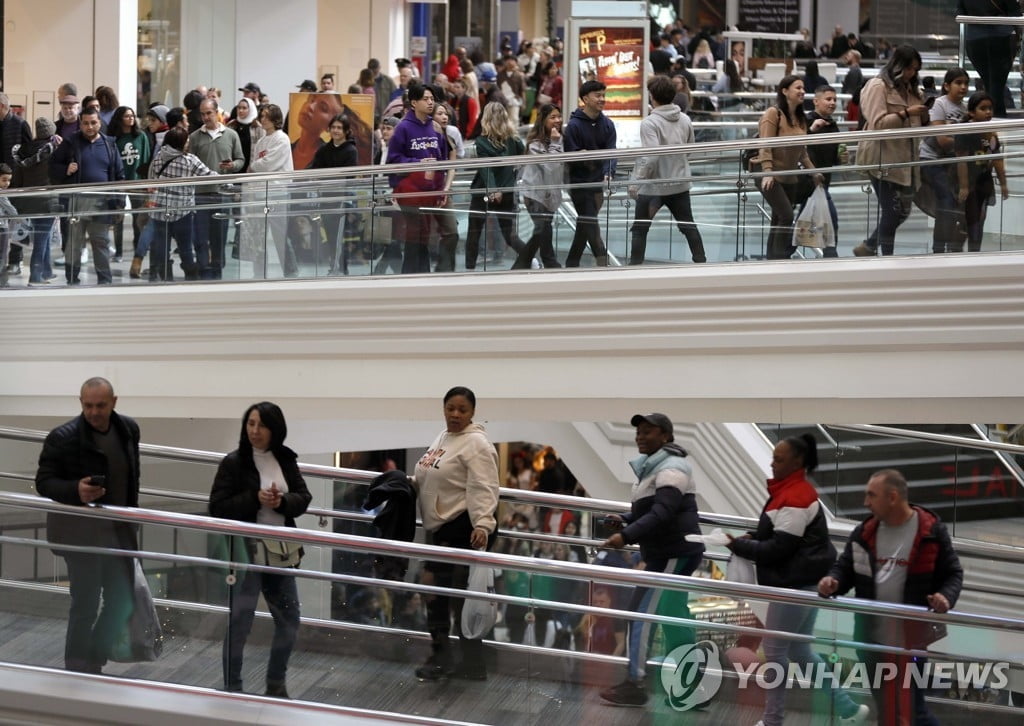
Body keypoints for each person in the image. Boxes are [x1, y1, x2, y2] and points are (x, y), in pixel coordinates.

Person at [727, 434, 868, 726]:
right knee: (799, 650)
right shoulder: (791, 492)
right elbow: (778, 537)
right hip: (806, 583)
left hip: (792, 587)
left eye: (778, 459)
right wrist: (753, 538)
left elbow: (780, 548)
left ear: (797, 462)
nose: (772, 463)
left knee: (776, 651)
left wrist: (737, 545)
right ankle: (849, 709)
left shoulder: (795, 497)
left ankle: (772, 720)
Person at [819, 469, 963, 726]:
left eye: (871, 495)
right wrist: (833, 582)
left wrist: (945, 597)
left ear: (893, 497)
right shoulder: (865, 532)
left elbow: (953, 574)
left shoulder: (931, 532)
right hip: (871, 643)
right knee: (887, 711)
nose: (866, 502)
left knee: (914, 711)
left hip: (912, 643)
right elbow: (845, 567)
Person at [35, 377, 141, 674]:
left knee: (122, 599)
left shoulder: (129, 429)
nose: (93, 412)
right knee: (86, 603)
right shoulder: (63, 437)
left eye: (100, 406)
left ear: (114, 402)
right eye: (88, 405)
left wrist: (133, 519)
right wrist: (75, 491)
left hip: (119, 530)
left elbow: (133, 476)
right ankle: (78, 666)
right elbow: (44, 482)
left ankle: (93, 657)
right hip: (80, 535)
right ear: (80, 403)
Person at [598, 412, 704, 706]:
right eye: (639, 432)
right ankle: (695, 686)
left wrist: (626, 535)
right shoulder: (655, 468)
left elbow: (663, 512)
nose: (640, 436)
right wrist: (624, 520)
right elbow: (652, 510)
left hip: (673, 552)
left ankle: (635, 683)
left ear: (666, 437)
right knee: (673, 618)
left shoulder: (672, 468)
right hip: (668, 552)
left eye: (648, 431)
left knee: (641, 615)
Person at [209, 401, 312, 697]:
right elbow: (217, 507)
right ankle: (233, 686)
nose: (255, 431)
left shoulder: (285, 459)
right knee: (240, 622)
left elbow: (303, 497)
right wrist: (254, 498)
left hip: (280, 552)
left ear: (275, 429)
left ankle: (276, 684)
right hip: (246, 552)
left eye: (262, 425)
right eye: (251, 424)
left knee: (289, 621)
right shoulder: (234, 462)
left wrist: (281, 502)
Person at [411, 386, 500, 681]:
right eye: (451, 408)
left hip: (461, 527)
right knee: (443, 594)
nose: (456, 414)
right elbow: (430, 472)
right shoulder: (443, 437)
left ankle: (451, 658)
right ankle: (463, 661)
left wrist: (483, 525)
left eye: (462, 409)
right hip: (439, 527)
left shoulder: (477, 444)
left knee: (448, 595)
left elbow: (484, 487)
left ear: (472, 412)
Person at [853, 46, 927, 257]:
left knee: (902, 211)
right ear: (898, 65)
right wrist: (905, 113)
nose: (912, 74)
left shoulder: (912, 89)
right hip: (881, 159)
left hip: (906, 160)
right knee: (893, 212)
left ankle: (869, 246)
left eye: (915, 70)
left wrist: (923, 113)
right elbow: (877, 124)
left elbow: (918, 126)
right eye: (910, 69)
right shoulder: (878, 86)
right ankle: (885, 256)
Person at [628, 75, 706, 266]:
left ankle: (634, 268)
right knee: (688, 226)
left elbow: (651, 156)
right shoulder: (685, 119)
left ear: (652, 96)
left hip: (653, 187)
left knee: (640, 228)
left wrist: (636, 181)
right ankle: (702, 264)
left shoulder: (650, 123)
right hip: (679, 184)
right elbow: (690, 150)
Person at [49, 106, 125, 285]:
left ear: (100, 123)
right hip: (76, 203)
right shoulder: (70, 142)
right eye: (85, 123)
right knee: (74, 245)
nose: (89, 127)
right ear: (80, 124)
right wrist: (65, 169)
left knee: (101, 243)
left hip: (102, 203)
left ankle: (105, 281)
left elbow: (120, 175)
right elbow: (52, 167)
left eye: (93, 122)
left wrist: (119, 203)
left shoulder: (110, 144)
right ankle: (71, 279)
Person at [753, 75, 822, 259]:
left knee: (778, 219)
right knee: (786, 215)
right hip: (770, 174)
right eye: (798, 88)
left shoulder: (800, 119)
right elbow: (765, 145)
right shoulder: (773, 114)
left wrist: (813, 172)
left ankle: (772, 260)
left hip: (790, 176)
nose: (802, 91)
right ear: (785, 91)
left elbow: (802, 152)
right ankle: (779, 259)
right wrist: (768, 172)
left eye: (803, 88)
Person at [386, 81, 447, 274]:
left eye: (431, 99)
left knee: (424, 236)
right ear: (414, 103)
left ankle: (423, 275)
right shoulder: (403, 128)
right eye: (425, 99)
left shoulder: (435, 128)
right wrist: (415, 163)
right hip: (409, 191)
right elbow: (393, 160)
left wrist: (441, 188)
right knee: (414, 235)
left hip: (429, 191)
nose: (430, 103)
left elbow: (442, 159)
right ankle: (409, 276)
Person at [465, 101, 525, 269]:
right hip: (506, 191)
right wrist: (508, 181)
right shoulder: (514, 140)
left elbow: (486, 169)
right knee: (509, 234)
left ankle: (469, 268)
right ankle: (531, 258)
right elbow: (523, 157)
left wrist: (493, 189)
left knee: (474, 233)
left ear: (486, 118)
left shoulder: (482, 142)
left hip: (483, 192)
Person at [189, 99, 244, 279]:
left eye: (209, 113)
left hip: (222, 194)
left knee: (219, 236)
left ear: (216, 113)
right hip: (200, 194)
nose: (205, 117)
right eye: (202, 114)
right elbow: (190, 162)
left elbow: (241, 160)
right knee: (200, 236)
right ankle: (204, 270)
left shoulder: (231, 135)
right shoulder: (195, 137)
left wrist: (233, 165)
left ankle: (217, 270)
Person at [563, 79, 616, 267]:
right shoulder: (574, 126)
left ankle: (572, 263)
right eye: (598, 95)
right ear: (585, 98)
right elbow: (569, 156)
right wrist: (580, 155)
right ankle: (603, 261)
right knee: (590, 222)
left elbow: (611, 152)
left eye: (604, 95)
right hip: (579, 184)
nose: (602, 99)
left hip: (597, 184)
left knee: (585, 224)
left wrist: (608, 172)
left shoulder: (608, 124)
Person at [243, 104, 297, 278]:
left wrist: (255, 166)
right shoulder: (261, 141)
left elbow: (267, 163)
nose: (263, 119)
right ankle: (259, 273)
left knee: (281, 236)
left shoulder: (282, 139)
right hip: (261, 193)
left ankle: (290, 271)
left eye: (266, 116)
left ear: (275, 118)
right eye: (262, 115)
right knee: (258, 237)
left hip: (278, 193)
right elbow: (258, 164)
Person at [919, 68, 969, 254]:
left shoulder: (964, 109)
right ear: (947, 85)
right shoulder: (940, 104)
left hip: (952, 163)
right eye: (958, 83)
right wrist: (963, 142)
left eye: (966, 83)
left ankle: (952, 248)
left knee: (957, 205)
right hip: (932, 159)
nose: (963, 87)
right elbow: (942, 139)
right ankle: (938, 250)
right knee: (946, 202)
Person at [956, 91, 1010, 252]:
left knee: (980, 218)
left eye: (990, 108)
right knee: (970, 220)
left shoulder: (992, 133)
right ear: (972, 112)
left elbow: (997, 159)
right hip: (970, 183)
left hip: (984, 182)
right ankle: (963, 252)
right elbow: (961, 160)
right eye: (983, 108)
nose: (988, 112)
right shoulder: (965, 131)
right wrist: (964, 186)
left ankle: (976, 252)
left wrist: (1004, 183)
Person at [512, 103, 564, 270]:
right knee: (543, 228)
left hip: (551, 195)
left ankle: (522, 264)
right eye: (552, 117)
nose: (557, 120)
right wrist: (556, 143)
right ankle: (549, 262)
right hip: (534, 194)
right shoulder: (535, 144)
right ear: (543, 120)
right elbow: (551, 166)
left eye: (559, 116)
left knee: (542, 230)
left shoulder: (562, 139)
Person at [309, 113, 359, 274]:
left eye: (339, 128)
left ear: (345, 131)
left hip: (342, 202)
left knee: (340, 238)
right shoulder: (324, 149)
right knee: (330, 237)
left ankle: (342, 269)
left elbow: (348, 177)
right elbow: (314, 170)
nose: (336, 131)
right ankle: (334, 266)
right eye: (334, 127)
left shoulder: (351, 150)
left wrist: (326, 176)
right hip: (326, 200)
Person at [12, 117, 60, 285]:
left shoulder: (24, 150)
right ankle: (35, 275)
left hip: (28, 202)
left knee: (43, 237)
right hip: (47, 201)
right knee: (41, 240)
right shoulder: (53, 151)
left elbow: (17, 179)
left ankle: (46, 272)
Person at [958, 0, 1021, 117]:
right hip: (1001, 37)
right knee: (997, 85)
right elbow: (1015, 13)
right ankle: (996, 119)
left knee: (990, 83)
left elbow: (960, 12)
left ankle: (988, 118)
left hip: (974, 39)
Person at [108, 106, 152, 268]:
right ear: (120, 119)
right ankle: (118, 252)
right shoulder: (114, 139)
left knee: (138, 220)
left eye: (132, 115)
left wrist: (146, 182)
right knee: (118, 219)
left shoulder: (141, 137)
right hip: (119, 183)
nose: (131, 118)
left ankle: (137, 251)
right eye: (127, 116)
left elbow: (146, 159)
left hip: (138, 182)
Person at [806, 85, 843, 257]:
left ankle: (783, 251)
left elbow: (833, 157)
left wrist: (842, 158)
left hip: (823, 183)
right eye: (828, 99)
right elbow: (797, 146)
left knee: (803, 219)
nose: (832, 103)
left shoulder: (833, 125)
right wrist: (811, 130)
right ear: (816, 101)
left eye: (835, 99)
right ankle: (831, 255)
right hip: (808, 181)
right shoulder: (807, 121)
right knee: (831, 219)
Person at [292, 92, 343, 170]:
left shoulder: (330, 155)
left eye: (323, 108)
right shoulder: (287, 149)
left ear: (329, 125)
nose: (310, 106)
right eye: (311, 100)